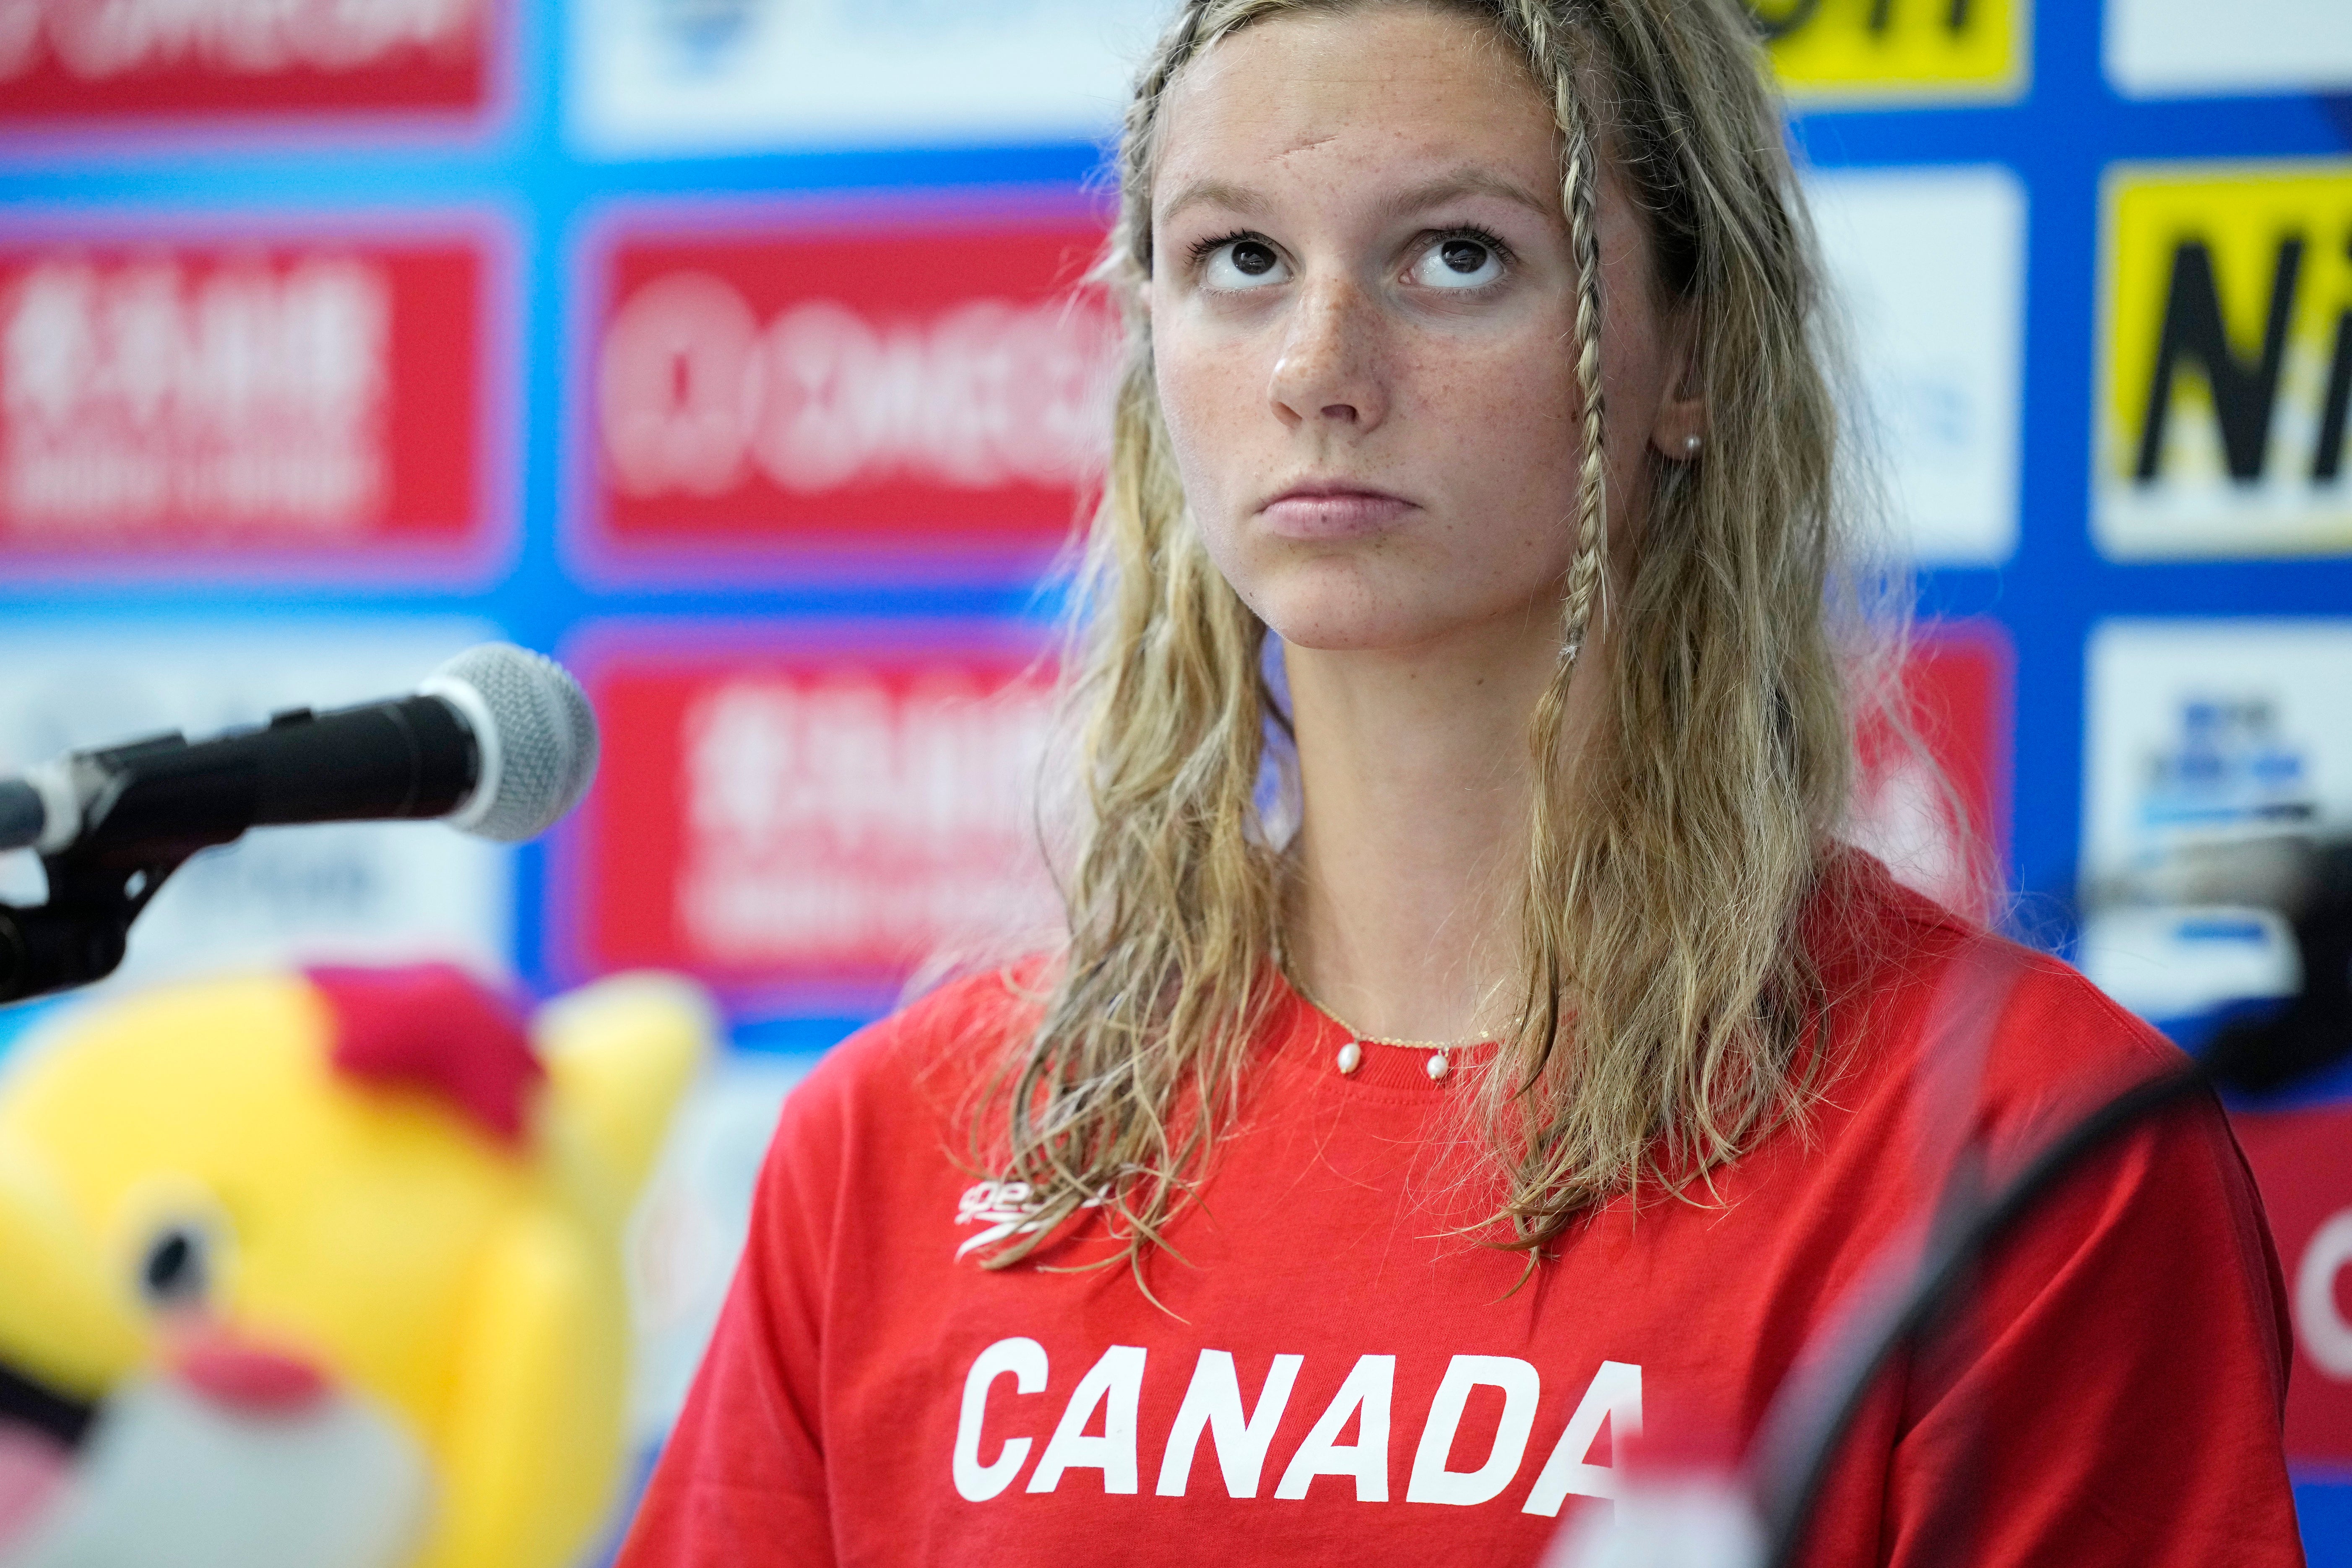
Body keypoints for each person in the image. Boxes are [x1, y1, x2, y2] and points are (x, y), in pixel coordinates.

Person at [617, 2, 2303, 1563]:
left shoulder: (2012, 1145)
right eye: (1239, 259)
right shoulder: (896, 1141)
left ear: (1690, 353)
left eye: (1454, 255)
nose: (1317, 368)